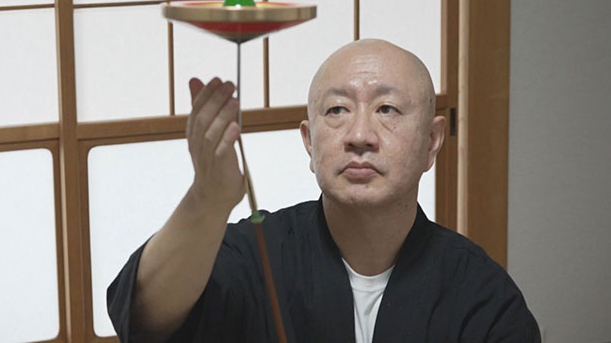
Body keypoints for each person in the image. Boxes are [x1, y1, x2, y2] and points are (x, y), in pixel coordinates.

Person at [107, 39, 540, 342]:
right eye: (337, 110)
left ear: (431, 141)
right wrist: (208, 199)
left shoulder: (480, 294)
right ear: (310, 143)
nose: (360, 135)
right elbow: (144, 318)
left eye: (387, 109)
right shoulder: (258, 253)